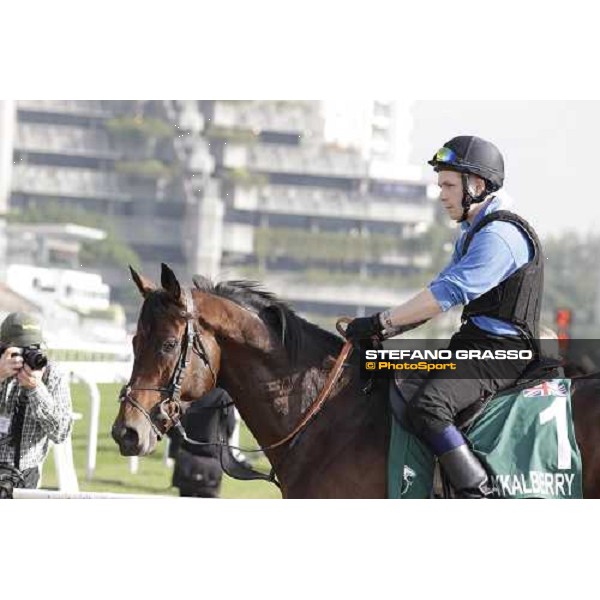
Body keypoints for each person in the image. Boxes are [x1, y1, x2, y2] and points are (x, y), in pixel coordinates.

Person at [345, 135, 543, 498]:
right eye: (440, 185)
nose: (441, 194)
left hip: (503, 354)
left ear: (477, 185)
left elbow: (446, 295)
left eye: (449, 184)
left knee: (430, 406)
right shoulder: (473, 232)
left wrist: (380, 322)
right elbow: (437, 293)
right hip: (473, 345)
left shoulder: (500, 235)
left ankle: (478, 493)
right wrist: (382, 333)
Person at [0, 312, 73, 498]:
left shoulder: (51, 374)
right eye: (21, 349)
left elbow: (61, 433)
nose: (27, 356)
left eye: (35, 348)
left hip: (26, 475)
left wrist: (36, 389)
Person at [169, 387, 251, 498]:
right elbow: (230, 426)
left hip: (186, 457)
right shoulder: (222, 394)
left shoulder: (187, 390)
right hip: (212, 459)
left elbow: (174, 424)